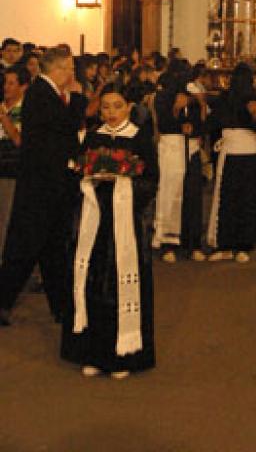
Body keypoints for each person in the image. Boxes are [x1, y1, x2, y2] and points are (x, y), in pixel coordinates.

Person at [60, 83, 158, 378]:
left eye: (117, 106)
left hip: (125, 224)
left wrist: (123, 183)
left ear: (129, 107)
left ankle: (122, 356)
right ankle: (91, 353)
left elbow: (151, 179)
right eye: (105, 107)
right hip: (94, 222)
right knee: (90, 284)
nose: (111, 113)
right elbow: (76, 171)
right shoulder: (93, 136)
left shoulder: (139, 138)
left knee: (119, 286)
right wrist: (88, 179)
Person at [0, 47, 87, 326]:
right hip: (39, 187)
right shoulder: (41, 94)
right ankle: (4, 302)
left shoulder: (53, 95)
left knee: (53, 249)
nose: (73, 73)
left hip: (54, 186)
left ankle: (61, 307)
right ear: (57, 69)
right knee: (24, 249)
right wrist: (78, 97)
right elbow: (68, 124)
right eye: (69, 68)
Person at [205, 63, 256, 263]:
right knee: (242, 199)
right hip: (242, 154)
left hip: (238, 153)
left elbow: (212, 124)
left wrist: (255, 115)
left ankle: (234, 243)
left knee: (232, 199)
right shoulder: (236, 99)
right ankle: (239, 245)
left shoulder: (226, 99)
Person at [153, 76, 206, 262]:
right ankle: (168, 243)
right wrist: (175, 110)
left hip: (190, 150)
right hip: (171, 149)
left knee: (192, 196)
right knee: (171, 194)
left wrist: (195, 123)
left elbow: (202, 123)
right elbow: (163, 123)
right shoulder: (162, 98)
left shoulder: (194, 99)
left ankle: (193, 242)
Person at [0, 66, 31, 262]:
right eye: (5, 83)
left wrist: (4, 117)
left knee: (5, 217)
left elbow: (19, 140)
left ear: (23, 86)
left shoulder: (25, 111)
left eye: (12, 83)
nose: (6, 87)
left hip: (10, 168)